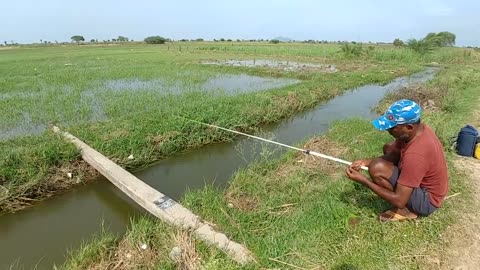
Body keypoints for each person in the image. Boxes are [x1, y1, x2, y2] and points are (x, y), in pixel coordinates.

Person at [345, 99, 448, 221]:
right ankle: (406, 191)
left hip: (428, 201)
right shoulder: (417, 131)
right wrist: (365, 162)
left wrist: (364, 181)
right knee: (389, 147)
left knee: (377, 168)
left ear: (409, 127)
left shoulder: (416, 155)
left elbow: (399, 200)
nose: (388, 131)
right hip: (425, 186)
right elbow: (393, 154)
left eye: (392, 128)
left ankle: (408, 210)